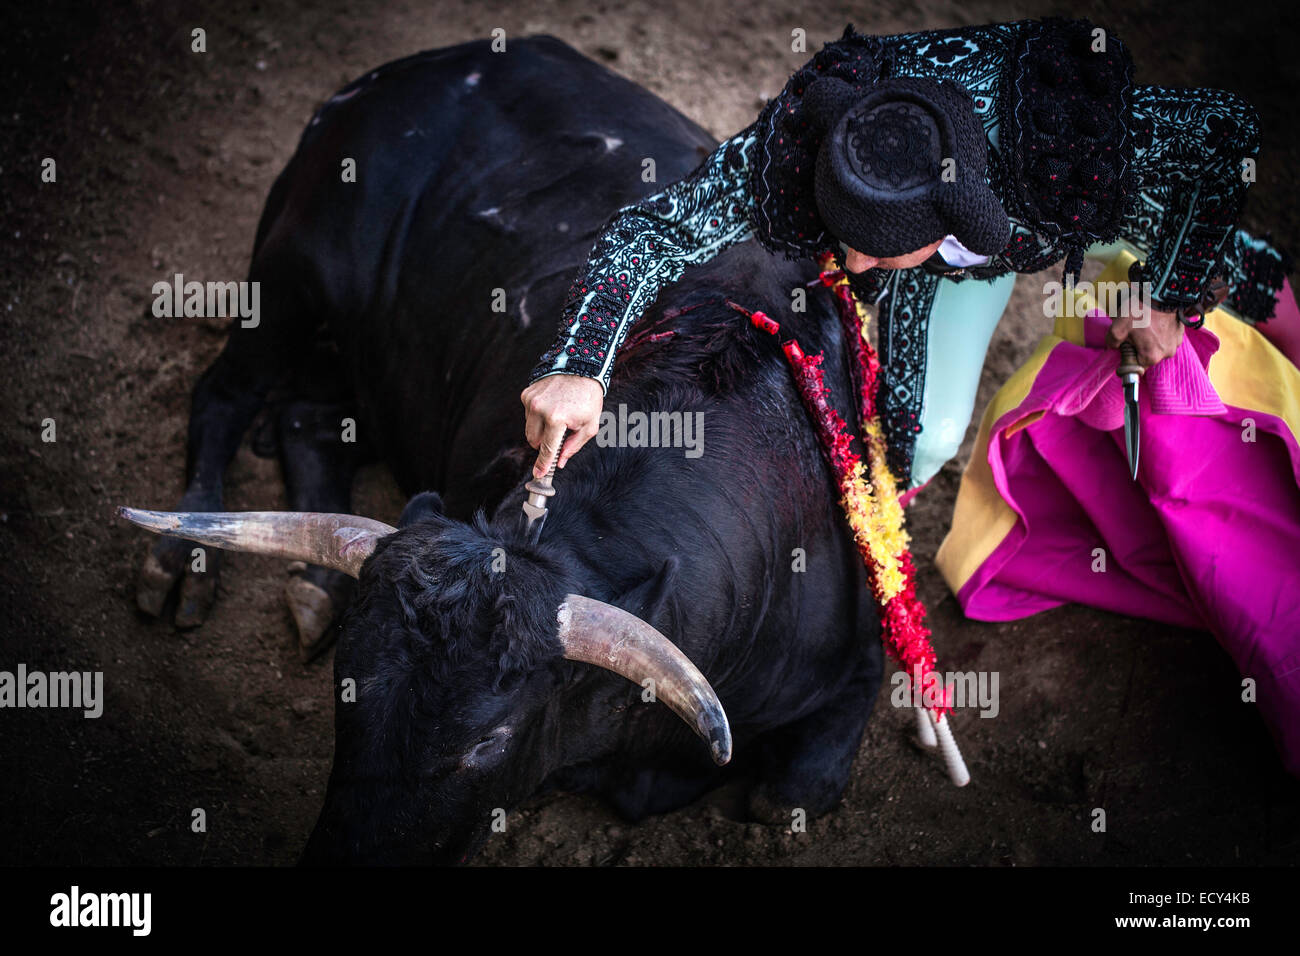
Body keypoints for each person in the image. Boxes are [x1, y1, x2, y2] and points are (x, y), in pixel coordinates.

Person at [520, 17, 1291, 498]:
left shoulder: (1064, 140)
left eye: (874, 250)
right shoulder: (800, 138)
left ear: (955, 218)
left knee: (1253, 287)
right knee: (923, 430)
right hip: (975, 244)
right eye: (845, 238)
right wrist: (578, 364)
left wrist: (1164, 298)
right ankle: (887, 529)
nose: (848, 272)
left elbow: (1225, 132)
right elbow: (651, 232)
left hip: (1087, 194)